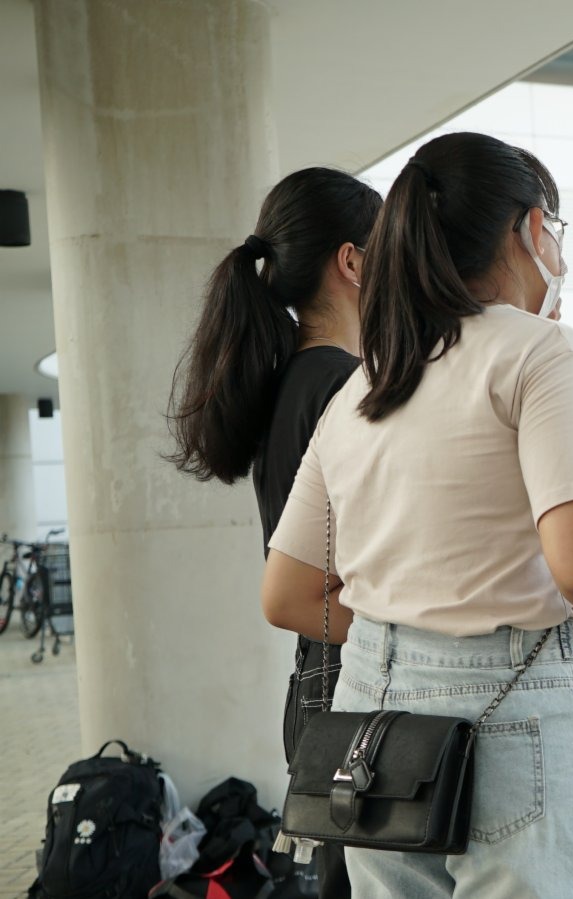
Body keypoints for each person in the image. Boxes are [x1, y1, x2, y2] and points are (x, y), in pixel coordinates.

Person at [258, 131, 573, 898]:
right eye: (554, 228)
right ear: (531, 229)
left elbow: (287, 592)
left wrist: (414, 634)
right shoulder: (545, 353)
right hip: (512, 713)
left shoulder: (367, 382)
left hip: (373, 728)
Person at [167, 166, 381, 899]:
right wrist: (424, 631)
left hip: (318, 688)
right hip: (358, 688)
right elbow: (298, 593)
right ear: (353, 261)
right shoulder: (345, 385)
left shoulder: (295, 379)